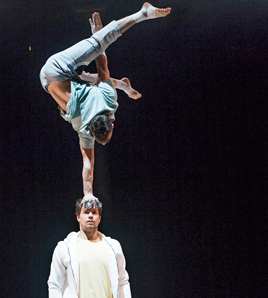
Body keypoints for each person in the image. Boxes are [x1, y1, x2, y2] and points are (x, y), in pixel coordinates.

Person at [39, 3, 171, 198]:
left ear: (111, 125)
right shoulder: (85, 131)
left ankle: (142, 14)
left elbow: (102, 65)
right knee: (91, 80)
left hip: (59, 68)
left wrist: (98, 35)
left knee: (100, 46)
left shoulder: (109, 103)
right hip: (47, 81)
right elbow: (88, 165)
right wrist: (88, 194)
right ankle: (125, 86)